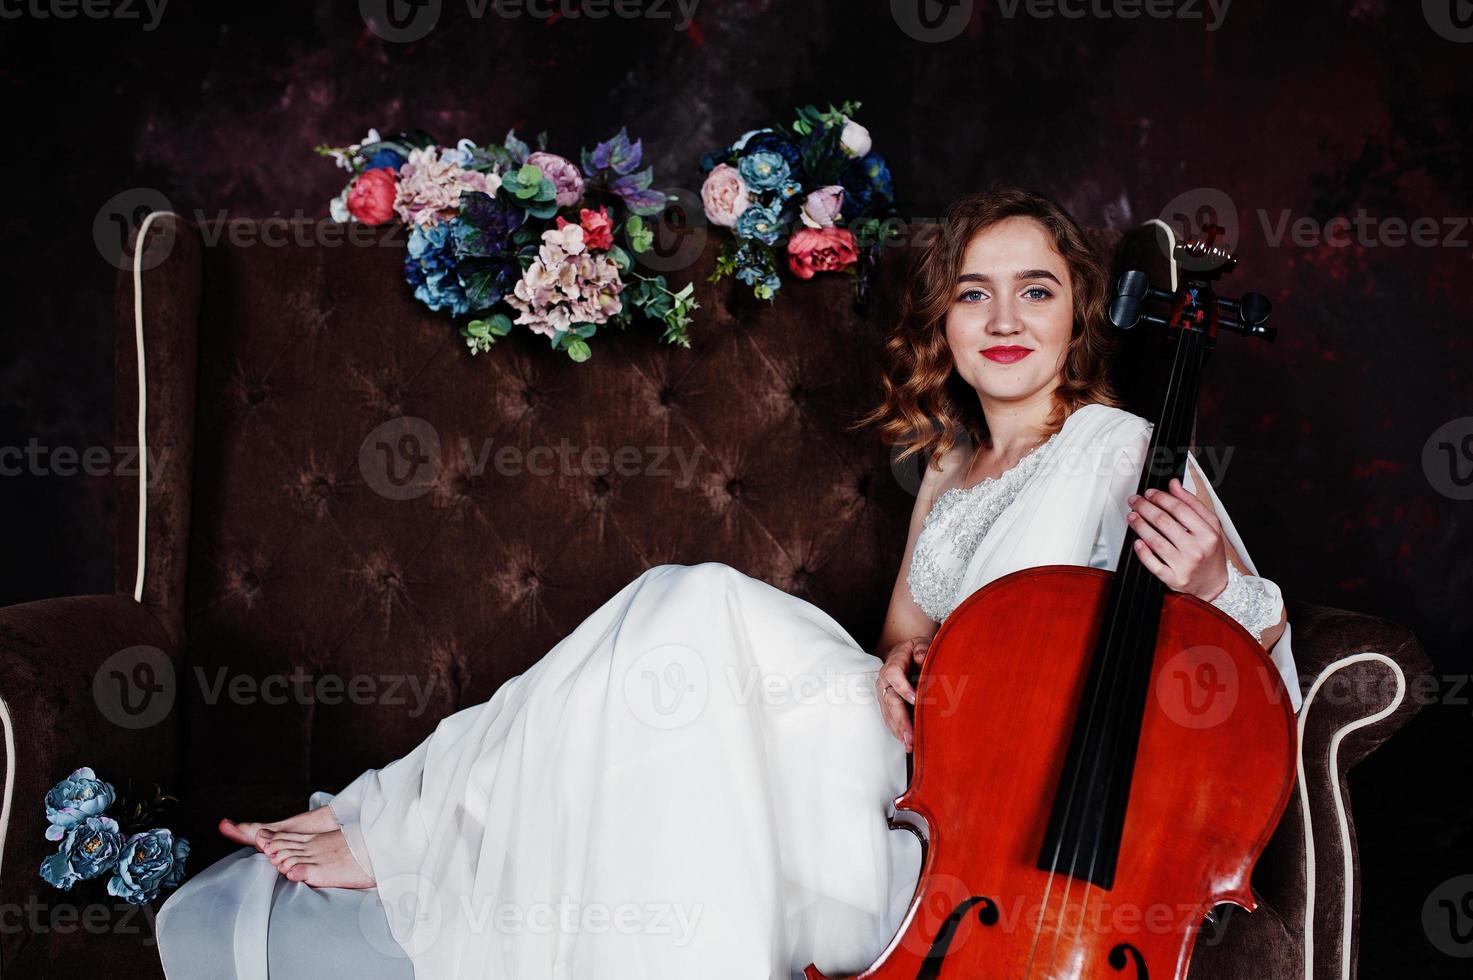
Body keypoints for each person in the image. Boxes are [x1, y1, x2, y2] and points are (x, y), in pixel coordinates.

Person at [153, 186, 1299, 980]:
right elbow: (902, 639)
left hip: (979, 832)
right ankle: (390, 825)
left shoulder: (1117, 445)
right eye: (974, 293)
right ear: (942, 320)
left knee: (693, 600)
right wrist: (908, 663)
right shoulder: (952, 466)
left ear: (1079, 315)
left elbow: (1249, 672)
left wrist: (1213, 579)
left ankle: (388, 823)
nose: (1004, 319)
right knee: (679, 612)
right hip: (907, 762)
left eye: (1036, 290)